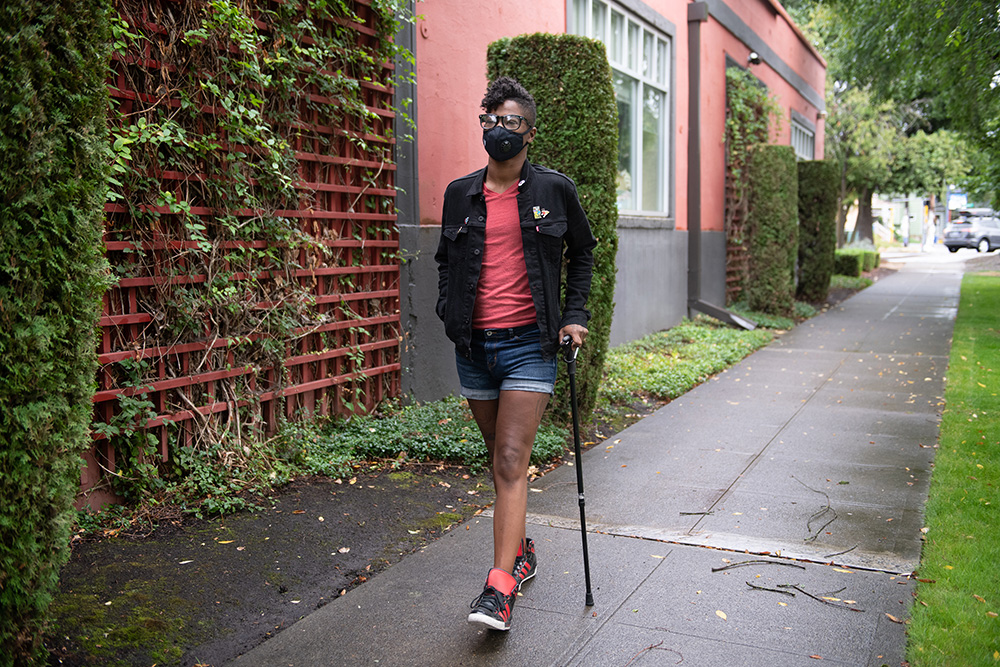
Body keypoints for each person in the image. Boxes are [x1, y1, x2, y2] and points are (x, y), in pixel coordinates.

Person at [434, 76, 596, 631]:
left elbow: (584, 253)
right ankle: (521, 551)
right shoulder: (460, 193)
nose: (498, 130)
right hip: (474, 347)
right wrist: (446, 310)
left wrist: (573, 315)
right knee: (498, 458)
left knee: (510, 461)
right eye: (490, 120)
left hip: (530, 344)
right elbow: (443, 262)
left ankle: (499, 588)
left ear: (530, 130)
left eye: (510, 121)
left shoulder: (554, 190)